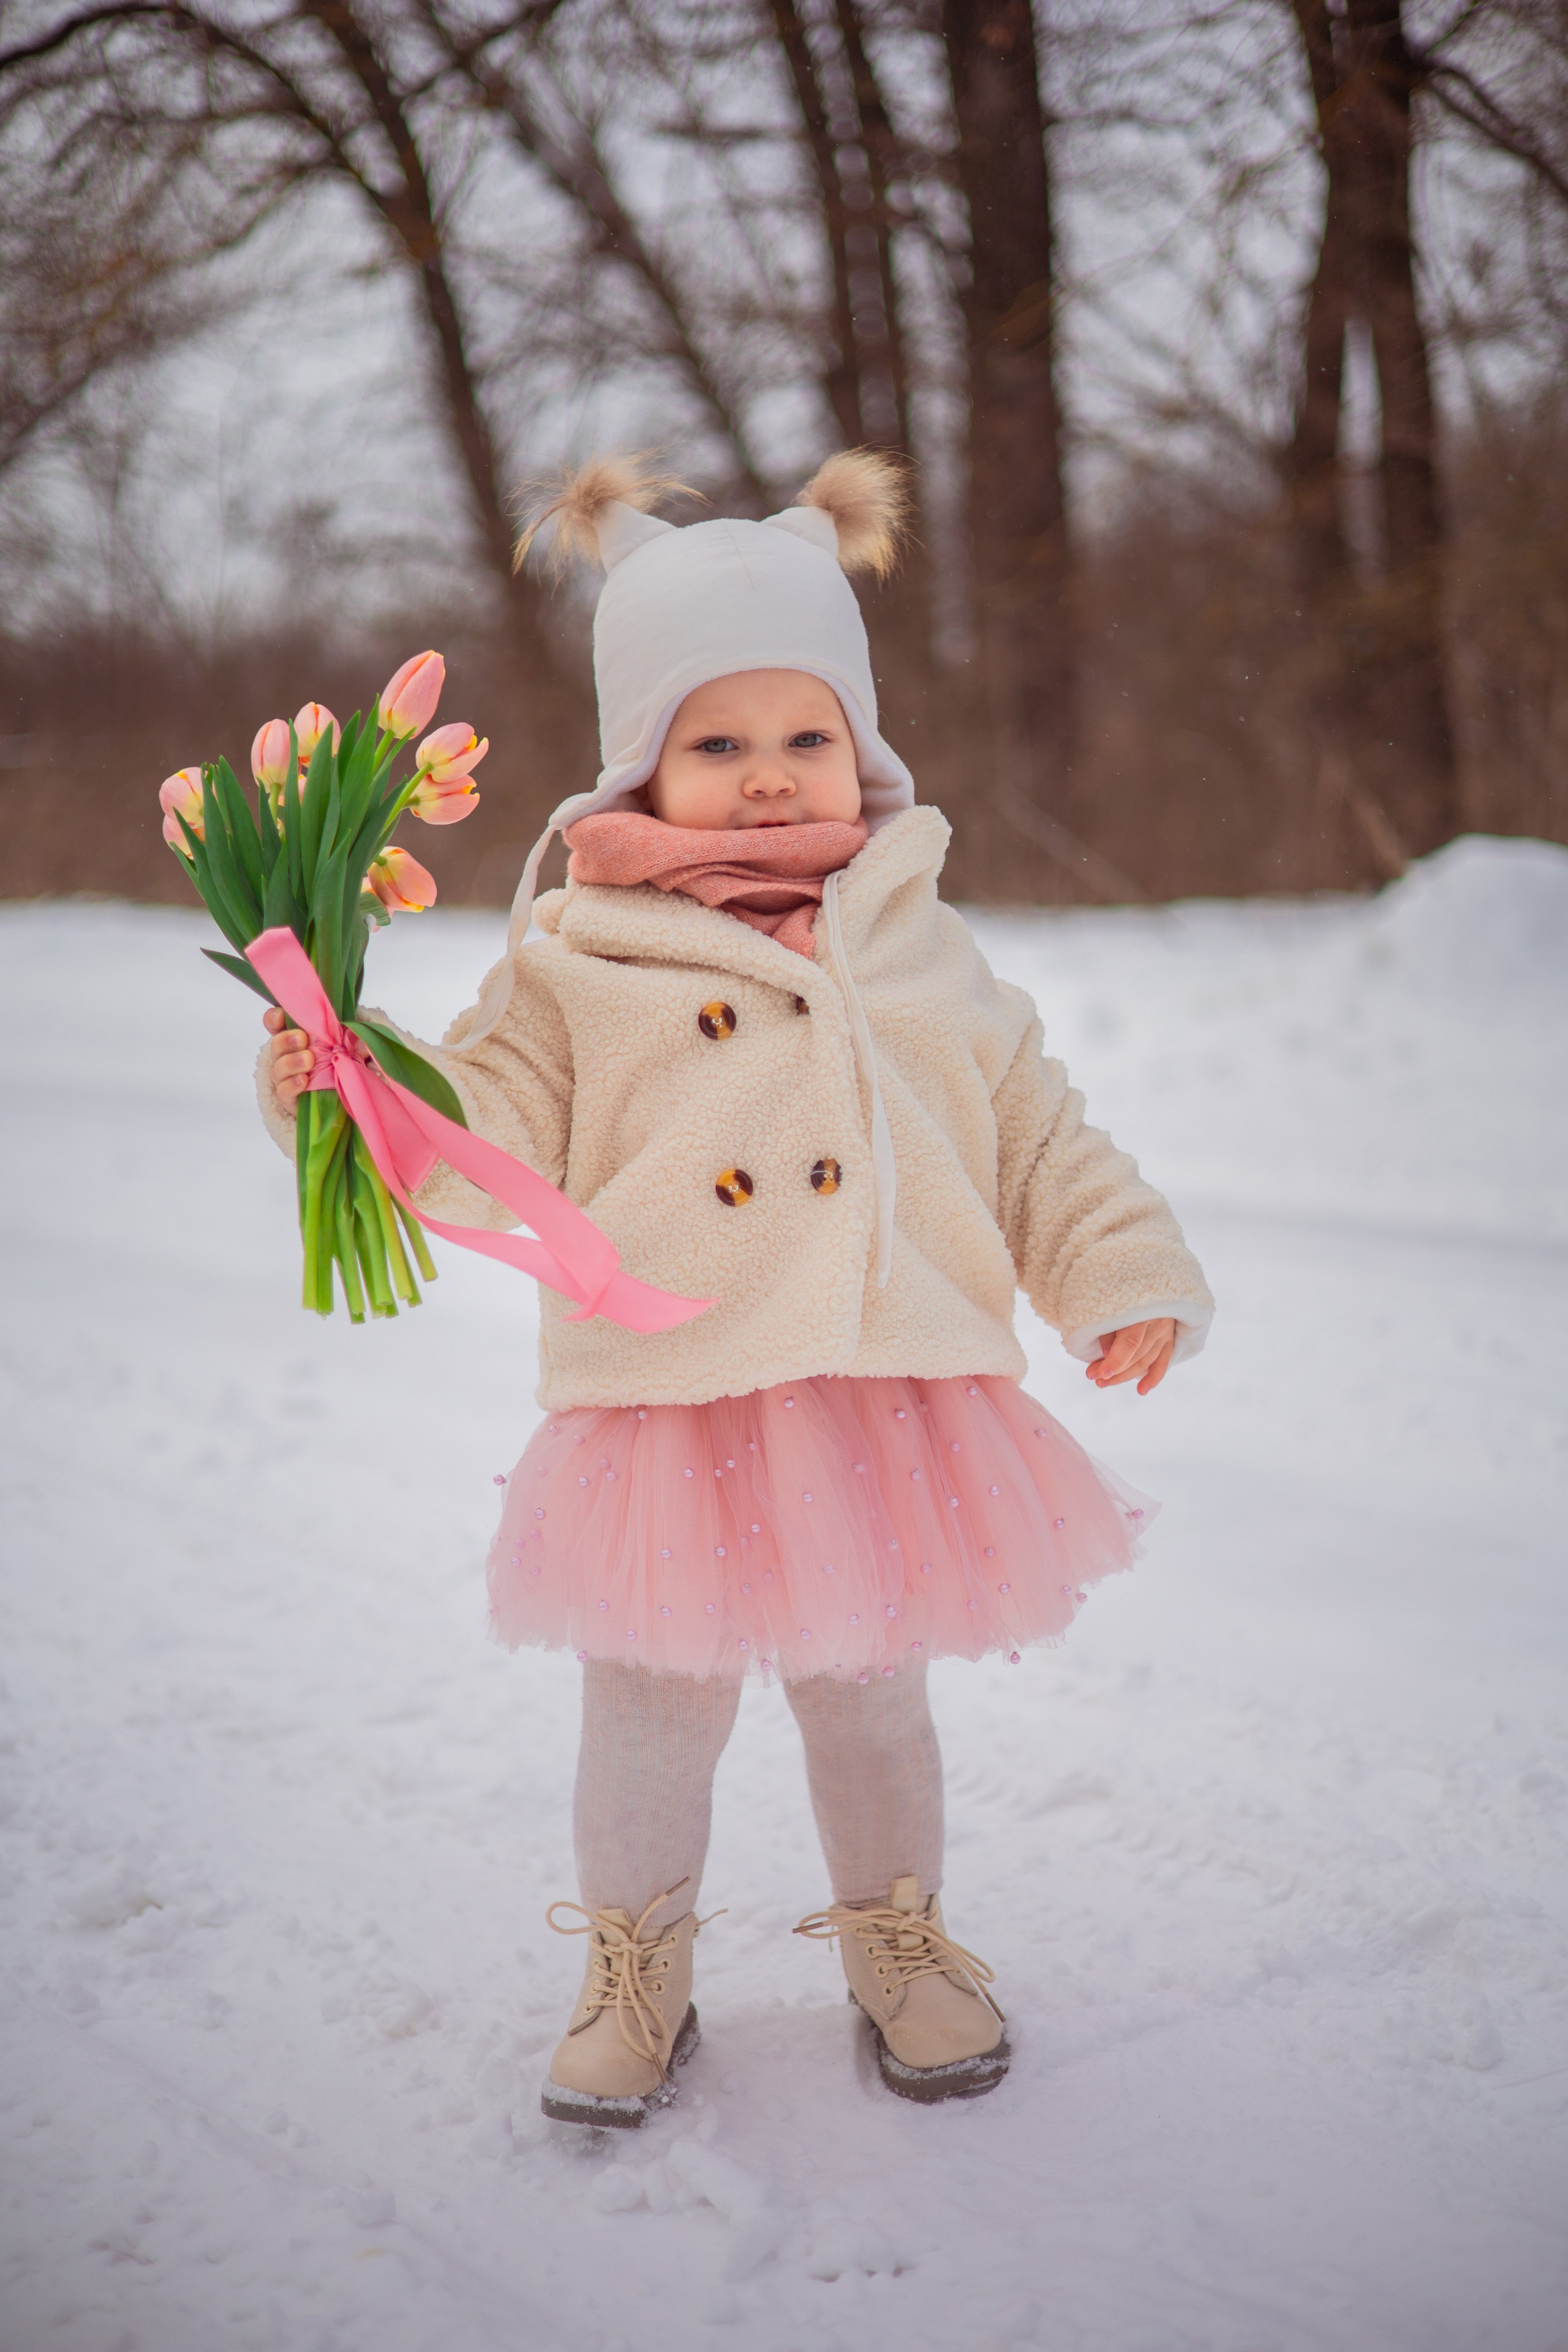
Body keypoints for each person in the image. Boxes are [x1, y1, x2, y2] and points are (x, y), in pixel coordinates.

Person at [258, 450, 1213, 2127]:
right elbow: (487, 1121)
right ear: (642, 760)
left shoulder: (919, 941)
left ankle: (898, 1938)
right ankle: (639, 1961)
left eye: (803, 738)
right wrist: (350, 1086)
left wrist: (1114, 1268)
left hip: (876, 1387)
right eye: (717, 744)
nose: (769, 779)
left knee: (870, 1698)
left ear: (861, 746)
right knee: (649, 1713)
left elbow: (1034, 1132)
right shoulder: (581, 957)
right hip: (671, 1402)